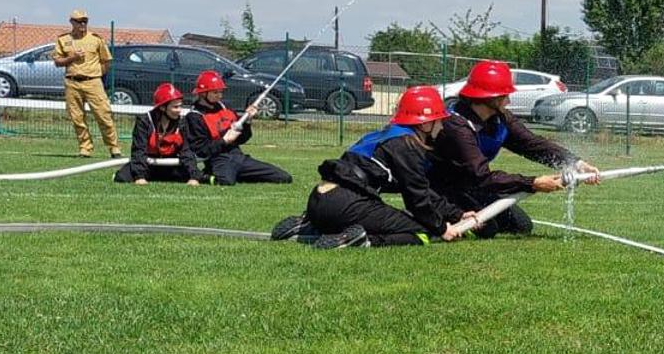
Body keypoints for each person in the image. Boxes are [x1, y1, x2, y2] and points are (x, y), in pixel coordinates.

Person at [272, 87, 474, 249]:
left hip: (319, 201)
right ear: (424, 125)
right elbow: (417, 200)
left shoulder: (383, 136)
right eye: (438, 120)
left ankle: (310, 225)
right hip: (346, 204)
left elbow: (422, 190)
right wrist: (441, 228)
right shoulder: (407, 145)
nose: (441, 127)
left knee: (410, 220)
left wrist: (456, 214)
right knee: (421, 232)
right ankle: (361, 240)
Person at [429, 60, 600, 237]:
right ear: (490, 97)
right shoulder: (456, 126)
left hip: (471, 186)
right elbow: (481, 176)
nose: (509, 100)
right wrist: (532, 183)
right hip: (441, 189)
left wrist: (575, 163)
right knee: (488, 229)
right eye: (505, 95)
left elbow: (532, 145)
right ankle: (430, 218)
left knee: (520, 225)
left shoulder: (500, 117)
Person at [183, 70, 292, 186]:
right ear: (203, 94)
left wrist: (248, 121)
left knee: (284, 177)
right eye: (215, 93)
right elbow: (201, 151)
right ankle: (205, 176)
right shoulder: (194, 117)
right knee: (226, 181)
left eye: (221, 92)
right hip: (219, 159)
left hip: (238, 156)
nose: (220, 96)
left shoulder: (226, 109)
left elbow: (243, 138)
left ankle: (237, 173)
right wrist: (224, 141)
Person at [51, 10, 120, 158]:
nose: (82, 24)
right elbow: (57, 62)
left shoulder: (96, 39)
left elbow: (106, 61)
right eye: (79, 21)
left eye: (85, 21)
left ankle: (114, 148)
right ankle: (85, 148)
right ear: (72, 22)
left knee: (103, 115)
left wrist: (96, 74)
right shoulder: (63, 40)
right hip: (72, 82)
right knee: (77, 117)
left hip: (93, 82)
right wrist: (72, 57)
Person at [113, 83, 200, 185]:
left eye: (180, 106)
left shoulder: (181, 123)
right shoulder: (145, 121)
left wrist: (193, 176)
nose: (179, 110)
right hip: (148, 163)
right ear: (162, 107)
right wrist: (139, 176)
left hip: (170, 164)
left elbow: (187, 151)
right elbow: (138, 150)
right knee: (122, 177)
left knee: (197, 176)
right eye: (175, 107)